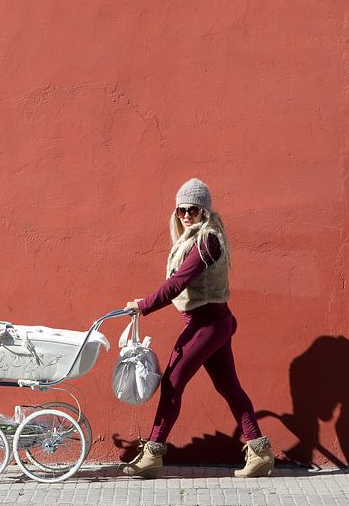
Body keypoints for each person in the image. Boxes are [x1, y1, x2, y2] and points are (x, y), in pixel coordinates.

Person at [122, 178, 274, 478]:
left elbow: (179, 282)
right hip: (211, 323)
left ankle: (153, 454)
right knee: (229, 387)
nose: (186, 216)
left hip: (208, 324)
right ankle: (260, 452)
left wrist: (144, 305)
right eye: (181, 210)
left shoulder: (208, 240)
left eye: (193, 210)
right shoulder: (194, 239)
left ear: (204, 211)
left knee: (173, 382)